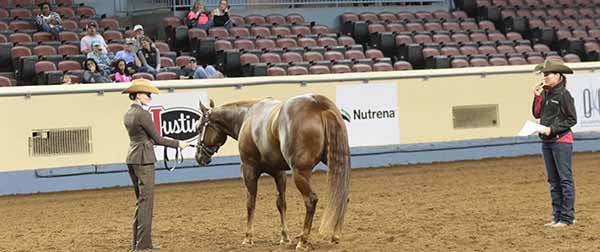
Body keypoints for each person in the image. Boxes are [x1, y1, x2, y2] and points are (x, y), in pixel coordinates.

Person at [121, 79, 190, 250]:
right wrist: (178, 144)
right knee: (146, 202)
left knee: (141, 201)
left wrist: (151, 140)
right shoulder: (143, 114)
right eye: (147, 94)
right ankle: (143, 244)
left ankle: (139, 242)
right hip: (144, 159)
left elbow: (145, 137)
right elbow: (157, 138)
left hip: (133, 157)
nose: (149, 97)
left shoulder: (129, 113)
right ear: (137, 95)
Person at [531, 59, 577, 228]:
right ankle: (557, 216)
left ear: (557, 76)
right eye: (544, 74)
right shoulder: (545, 93)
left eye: (547, 74)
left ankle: (567, 217)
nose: (545, 77)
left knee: (564, 179)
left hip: (561, 141)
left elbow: (572, 119)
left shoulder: (564, 95)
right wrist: (536, 97)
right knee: (553, 181)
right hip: (548, 141)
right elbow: (537, 114)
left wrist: (553, 129)